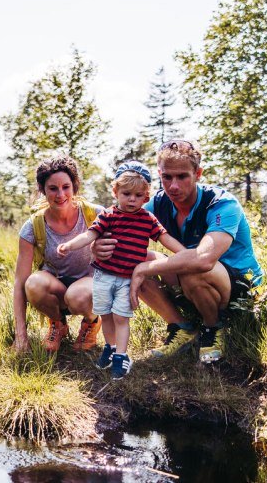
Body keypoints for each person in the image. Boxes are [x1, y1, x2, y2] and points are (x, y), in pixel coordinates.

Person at [122, 139, 263, 364]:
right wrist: (100, 243)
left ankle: (214, 328)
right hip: (195, 283)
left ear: (198, 173)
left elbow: (204, 259)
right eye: (167, 177)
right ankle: (182, 328)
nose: (173, 186)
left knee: (191, 267)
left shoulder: (221, 203)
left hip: (239, 288)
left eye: (182, 176)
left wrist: (144, 269)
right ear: (159, 174)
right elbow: (117, 223)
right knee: (136, 258)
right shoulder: (157, 204)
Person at [57, 161, 185, 379]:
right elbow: (90, 235)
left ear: (146, 197)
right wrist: (69, 245)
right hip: (103, 276)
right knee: (105, 315)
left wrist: (185, 253)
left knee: (120, 317)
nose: (132, 199)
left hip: (126, 279)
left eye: (138, 195)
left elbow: (164, 238)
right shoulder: (109, 215)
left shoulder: (147, 219)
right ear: (116, 192)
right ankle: (111, 346)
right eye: (126, 194)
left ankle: (121, 356)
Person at [13, 155, 109, 354]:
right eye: (53, 188)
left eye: (66, 187)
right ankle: (58, 324)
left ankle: (92, 322)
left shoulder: (97, 214)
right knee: (32, 284)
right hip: (55, 285)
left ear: (74, 186)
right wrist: (20, 335)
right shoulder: (33, 226)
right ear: (42, 190)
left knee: (78, 296)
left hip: (88, 287)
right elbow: (19, 283)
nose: (60, 194)